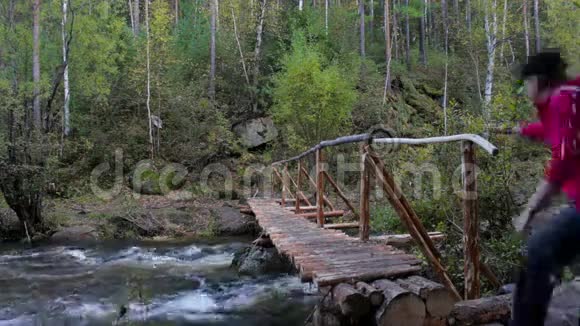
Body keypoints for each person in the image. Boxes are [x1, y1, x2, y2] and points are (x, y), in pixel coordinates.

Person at [511, 50, 580, 326]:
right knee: (540, 253)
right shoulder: (568, 99)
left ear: (538, 81)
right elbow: (557, 128)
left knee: (540, 248)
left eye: (526, 83)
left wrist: (529, 210)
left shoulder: (563, 100)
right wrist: (525, 130)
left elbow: (561, 160)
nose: (525, 89)